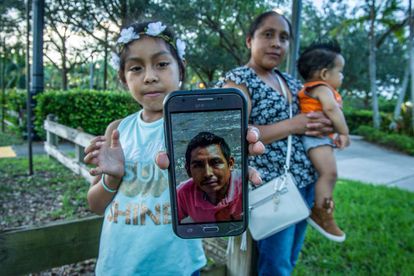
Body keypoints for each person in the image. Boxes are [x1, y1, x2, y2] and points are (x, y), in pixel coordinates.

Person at [83, 20, 264, 275]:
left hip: (177, 266)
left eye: (162, 64)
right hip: (119, 264)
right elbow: (96, 205)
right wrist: (113, 178)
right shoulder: (117, 131)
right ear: (123, 78)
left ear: (181, 69)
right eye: (136, 68)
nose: (150, 76)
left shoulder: (195, 127)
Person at [216, 11, 333, 276]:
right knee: (276, 266)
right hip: (270, 189)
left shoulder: (291, 82)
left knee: (289, 259)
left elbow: (313, 118)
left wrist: (325, 124)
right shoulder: (238, 80)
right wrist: (294, 125)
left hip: (305, 182)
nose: (276, 43)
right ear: (249, 40)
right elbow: (231, 136)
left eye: (284, 37)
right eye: (267, 35)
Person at [297, 41, 350, 242]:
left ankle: (321, 209)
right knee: (330, 173)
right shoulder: (321, 88)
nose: (342, 76)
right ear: (325, 74)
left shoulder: (317, 88)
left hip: (318, 139)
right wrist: (344, 131)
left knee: (328, 173)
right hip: (315, 139)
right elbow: (331, 110)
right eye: (340, 71)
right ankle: (320, 212)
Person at [177, 132, 242, 223]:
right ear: (188, 171)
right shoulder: (183, 193)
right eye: (198, 165)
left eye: (215, 162)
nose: (207, 173)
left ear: (230, 164)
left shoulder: (245, 185)